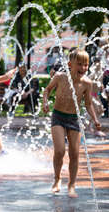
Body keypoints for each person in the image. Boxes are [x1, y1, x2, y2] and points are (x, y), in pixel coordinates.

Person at [42, 49, 101, 198]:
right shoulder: (60, 77)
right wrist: (45, 102)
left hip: (74, 119)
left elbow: (88, 104)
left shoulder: (87, 83)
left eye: (86, 65)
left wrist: (95, 119)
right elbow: (47, 90)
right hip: (58, 117)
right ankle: (57, 179)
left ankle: (72, 184)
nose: (83, 68)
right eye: (79, 64)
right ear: (70, 64)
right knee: (60, 151)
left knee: (74, 154)